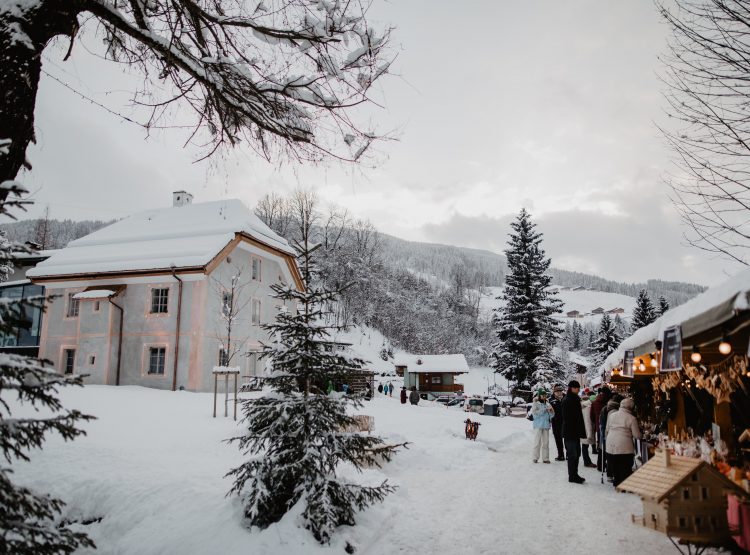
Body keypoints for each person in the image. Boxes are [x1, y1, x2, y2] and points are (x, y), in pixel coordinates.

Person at [605, 397, 642, 487]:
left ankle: (616, 482)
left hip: (610, 444)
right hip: (624, 447)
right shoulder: (632, 418)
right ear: (631, 408)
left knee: (615, 465)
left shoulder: (612, 415)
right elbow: (637, 435)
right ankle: (624, 484)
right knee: (625, 467)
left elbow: (607, 429)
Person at [561, 380, 587, 484]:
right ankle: (572, 476)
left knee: (577, 454)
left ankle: (574, 474)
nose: (578, 390)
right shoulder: (567, 400)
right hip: (570, 432)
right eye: (577, 388)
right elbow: (567, 417)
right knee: (572, 454)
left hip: (575, 432)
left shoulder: (575, 399)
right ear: (572, 388)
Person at [530, 388, 555, 464]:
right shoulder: (536, 403)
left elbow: (552, 415)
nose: (544, 396)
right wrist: (543, 410)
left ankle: (545, 458)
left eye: (545, 395)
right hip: (538, 425)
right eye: (542, 395)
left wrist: (551, 411)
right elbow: (534, 415)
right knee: (537, 442)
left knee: (546, 443)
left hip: (546, 425)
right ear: (539, 395)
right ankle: (535, 457)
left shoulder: (548, 404)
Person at [600, 394, 622, 479]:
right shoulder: (615, 410)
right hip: (611, 433)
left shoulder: (605, 408)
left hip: (606, 433)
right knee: (613, 454)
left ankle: (610, 473)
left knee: (608, 453)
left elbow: (601, 422)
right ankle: (611, 473)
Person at [591, 387, 611, 465]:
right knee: (609, 446)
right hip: (609, 427)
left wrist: (596, 423)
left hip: (600, 426)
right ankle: (609, 464)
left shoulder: (595, 402)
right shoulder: (608, 402)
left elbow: (591, 416)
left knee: (601, 446)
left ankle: (600, 464)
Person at [580, 394, 597, 468]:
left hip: (584, 429)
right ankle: (587, 462)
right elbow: (588, 422)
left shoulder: (583, 406)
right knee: (585, 445)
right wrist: (590, 434)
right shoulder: (587, 407)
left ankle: (587, 461)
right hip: (586, 429)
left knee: (585, 445)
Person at [550, 385, 565, 461]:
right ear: (554, 392)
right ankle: (561, 455)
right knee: (558, 440)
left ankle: (569, 454)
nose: (559, 393)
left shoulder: (566, 398)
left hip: (565, 422)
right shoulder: (551, 400)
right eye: (557, 391)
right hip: (555, 423)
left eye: (560, 391)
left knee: (567, 439)